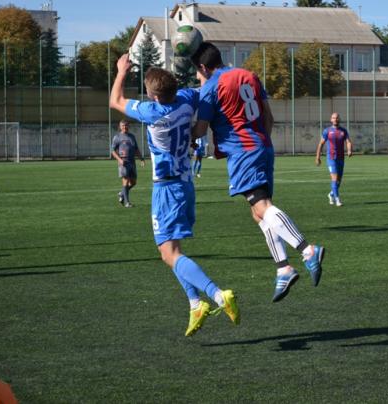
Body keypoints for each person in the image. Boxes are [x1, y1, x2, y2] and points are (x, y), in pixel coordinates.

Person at [109, 53, 239, 337]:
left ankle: (217, 295)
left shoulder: (152, 111)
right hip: (185, 184)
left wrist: (121, 71)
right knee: (169, 253)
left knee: (169, 253)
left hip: (167, 189)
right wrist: (201, 68)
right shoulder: (185, 99)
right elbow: (204, 88)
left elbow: (115, 101)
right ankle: (195, 303)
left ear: (154, 96)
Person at [190, 42, 325, 303]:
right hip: (262, 145)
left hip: (243, 151)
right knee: (258, 213)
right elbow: (269, 117)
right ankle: (283, 268)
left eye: (197, 72)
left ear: (204, 67)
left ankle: (308, 250)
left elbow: (200, 130)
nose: (197, 76)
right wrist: (260, 141)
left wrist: (180, 130)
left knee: (261, 206)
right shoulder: (249, 75)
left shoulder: (211, 86)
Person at [315, 112, 352, 207]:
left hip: (341, 158)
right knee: (334, 179)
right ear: (331, 120)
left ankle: (331, 194)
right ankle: (337, 200)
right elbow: (321, 144)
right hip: (331, 158)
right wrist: (318, 157)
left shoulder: (343, 131)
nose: (335, 119)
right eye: (333, 118)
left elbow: (348, 141)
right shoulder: (327, 131)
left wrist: (349, 150)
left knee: (339, 181)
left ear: (339, 119)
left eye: (336, 118)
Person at [111, 119, 145, 207]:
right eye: (123, 125)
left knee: (133, 182)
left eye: (126, 125)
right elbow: (113, 151)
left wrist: (141, 159)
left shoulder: (132, 137)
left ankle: (122, 193)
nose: (125, 127)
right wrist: (119, 160)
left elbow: (136, 149)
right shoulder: (117, 137)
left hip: (132, 161)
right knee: (125, 182)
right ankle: (127, 202)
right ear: (120, 127)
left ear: (128, 126)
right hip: (123, 162)